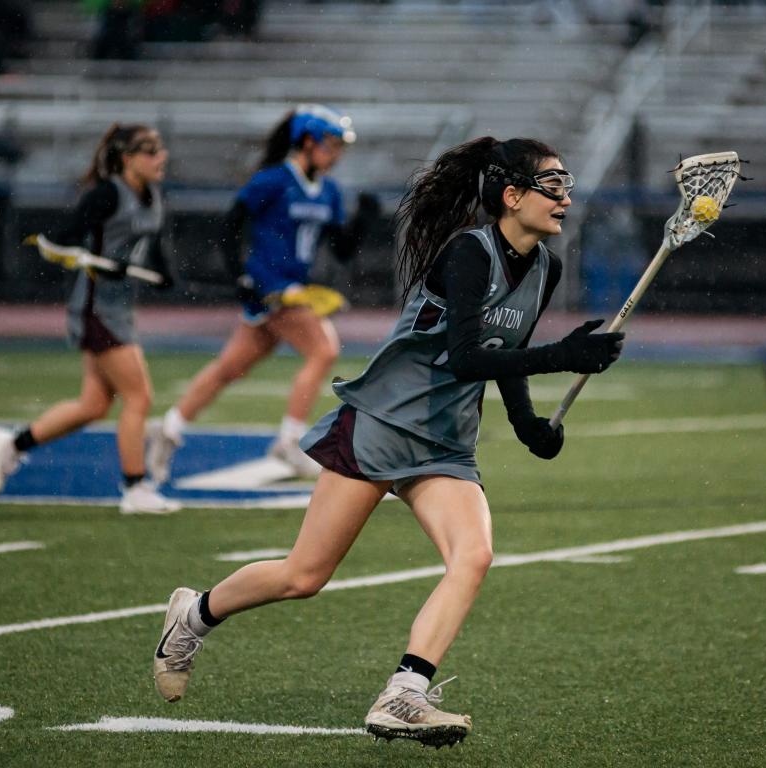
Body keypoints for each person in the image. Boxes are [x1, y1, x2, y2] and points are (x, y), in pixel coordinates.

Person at [151, 136, 625, 748]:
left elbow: (504, 356)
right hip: (382, 424)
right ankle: (192, 615)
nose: (565, 198)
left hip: (445, 446)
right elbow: (464, 356)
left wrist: (526, 422)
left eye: (567, 184)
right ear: (512, 196)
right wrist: (566, 355)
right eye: (552, 185)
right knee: (303, 576)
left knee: (473, 556)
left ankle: (405, 692)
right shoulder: (468, 254)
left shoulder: (545, 268)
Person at [146, 104, 374, 482]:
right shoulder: (273, 180)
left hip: (291, 288)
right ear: (306, 142)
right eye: (330, 144)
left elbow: (342, 248)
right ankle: (288, 439)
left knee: (230, 368)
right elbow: (231, 224)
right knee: (324, 349)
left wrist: (364, 219)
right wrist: (240, 274)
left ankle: (169, 426)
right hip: (272, 288)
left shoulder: (329, 191)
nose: (336, 154)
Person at [0, 123, 180, 514]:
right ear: (127, 158)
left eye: (160, 150)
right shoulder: (106, 195)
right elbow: (60, 239)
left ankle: (13, 443)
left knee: (93, 405)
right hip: (97, 309)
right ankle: (135, 487)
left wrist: (164, 275)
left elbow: (153, 252)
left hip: (121, 308)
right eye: (150, 151)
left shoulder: (153, 195)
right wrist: (85, 259)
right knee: (139, 397)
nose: (161, 158)